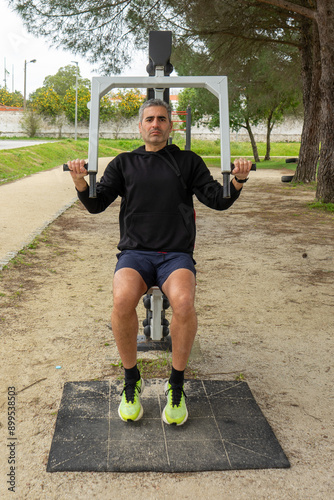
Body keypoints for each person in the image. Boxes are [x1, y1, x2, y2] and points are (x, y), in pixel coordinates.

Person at [67, 98, 252, 426]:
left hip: (175, 254)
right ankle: (131, 380)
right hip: (135, 253)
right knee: (122, 299)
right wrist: (81, 181)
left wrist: (237, 180)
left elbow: (216, 200)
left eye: (162, 119)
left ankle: (176, 385)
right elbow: (97, 205)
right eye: (149, 119)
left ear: (170, 125)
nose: (155, 124)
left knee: (183, 303)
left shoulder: (188, 161)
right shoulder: (124, 163)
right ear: (140, 126)